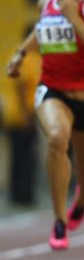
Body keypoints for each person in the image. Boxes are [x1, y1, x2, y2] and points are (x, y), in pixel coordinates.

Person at [6, 0, 84, 250]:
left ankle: (82, 199)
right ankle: (58, 220)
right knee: (56, 138)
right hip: (53, 89)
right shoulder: (45, 4)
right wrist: (21, 53)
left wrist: (72, 16)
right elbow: (41, 32)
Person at [3, 24, 42, 206]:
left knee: (20, 156)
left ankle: (20, 193)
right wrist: (27, 116)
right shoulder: (26, 57)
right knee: (24, 157)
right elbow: (21, 87)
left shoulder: (21, 55)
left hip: (18, 114)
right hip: (21, 115)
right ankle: (22, 194)